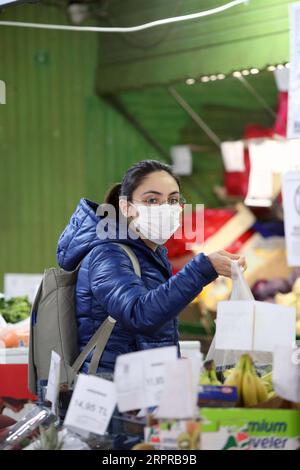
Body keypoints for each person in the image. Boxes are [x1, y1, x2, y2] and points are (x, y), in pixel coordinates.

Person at [57, 159, 246, 374]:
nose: (165, 208)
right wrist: (202, 268)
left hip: (140, 383)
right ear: (126, 207)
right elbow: (138, 313)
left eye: (173, 200)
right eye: (152, 200)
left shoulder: (150, 253)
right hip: (112, 389)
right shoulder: (108, 254)